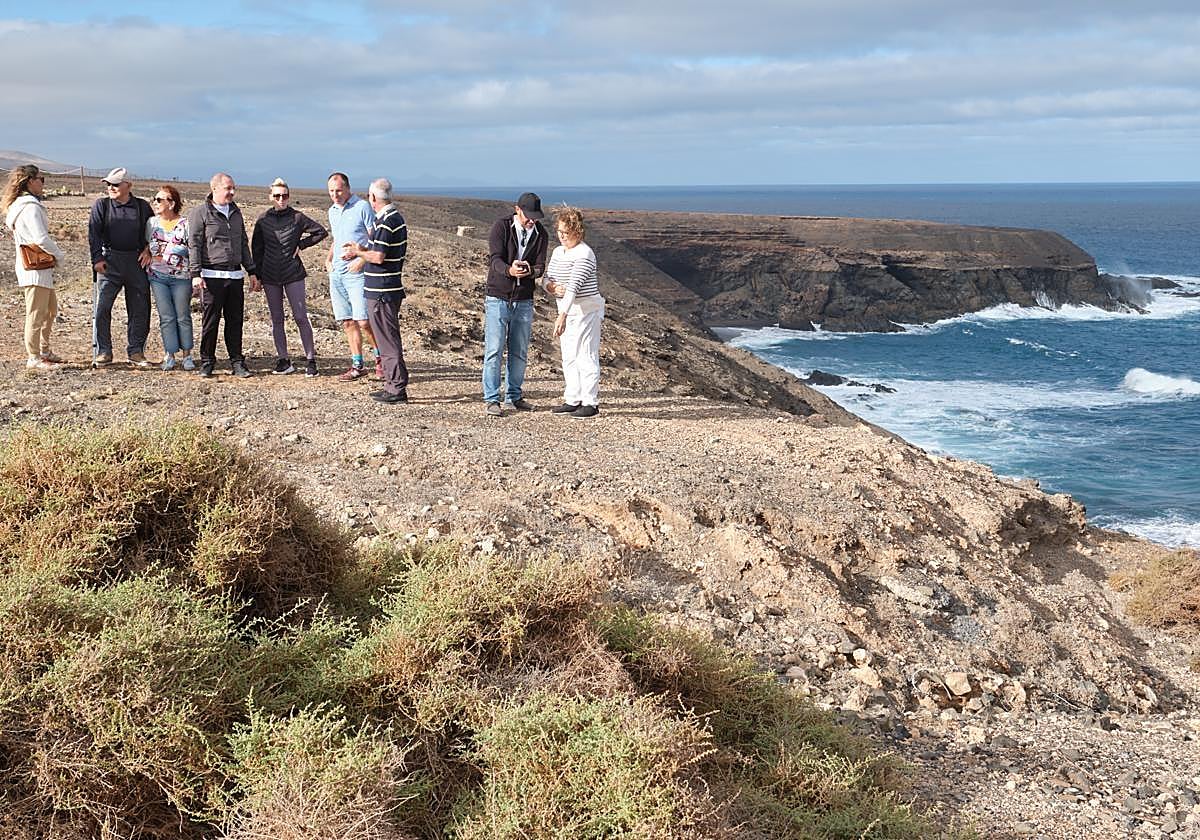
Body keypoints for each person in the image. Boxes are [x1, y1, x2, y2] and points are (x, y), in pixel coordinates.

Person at [251, 178, 327, 376]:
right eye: (277, 196)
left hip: (293, 274)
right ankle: (283, 360)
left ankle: (311, 360)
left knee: (301, 317)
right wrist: (256, 276)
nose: (281, 199)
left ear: (289, 196)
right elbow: (256, 250)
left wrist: (301, 245)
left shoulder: (298, 217)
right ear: (270, 197)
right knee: (277, 319)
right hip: (269, 276)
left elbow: (320, 232)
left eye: (284, 195)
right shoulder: (262, 220)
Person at [342, 178, 409, 404]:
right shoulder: (393, 219)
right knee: (386, 338)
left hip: (382, 291)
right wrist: (362, 249)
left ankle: (396, 387)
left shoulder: (387, 222)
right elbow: (382, 251)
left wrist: (358, 253)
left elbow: (379, 256)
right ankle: (392, 384)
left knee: (387, 340)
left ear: (372, 198)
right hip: (386, 289)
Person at [482, 192, 548, 417]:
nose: (532, 221)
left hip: (524, 299)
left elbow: (541, 267)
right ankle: (492, 398)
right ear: (517, 210)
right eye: (528, 216)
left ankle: (514, 396)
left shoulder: (541, 234)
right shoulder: (501, 227)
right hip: (498, 296)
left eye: (535, 217)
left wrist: (529, 271)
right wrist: (509, 270)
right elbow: (494, 259)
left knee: (519, 351)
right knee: (495, 349)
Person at [186, 172, 258, 378]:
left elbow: (243, 243)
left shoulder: (236, 212)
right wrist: (195, 273)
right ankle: (207, 361)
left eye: (233, 188)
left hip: (235, 276)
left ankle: (237, 361)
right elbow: (194, 244)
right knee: (211, 321)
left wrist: (251, 270)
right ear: (214, 188)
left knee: (235, 321)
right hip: (211, 276)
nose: (232, 192)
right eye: (228, 188)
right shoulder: (200, 213)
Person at [87, 167, 153, 367]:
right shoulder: (102, 205)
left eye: (115, 184)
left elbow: (154, 231)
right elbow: (94, 234)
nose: (111, 187)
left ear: (128, 186)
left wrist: (149, 250)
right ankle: (104, 351)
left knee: (140, 307)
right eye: (108, 184)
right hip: (109, 261)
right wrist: (97, 259)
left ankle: (136, 351)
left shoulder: (142, 207)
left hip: (136, 262)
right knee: (102, 307)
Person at [3, 165, 66, 370]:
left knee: (49, 310)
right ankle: (34, 356)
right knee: (37, 312)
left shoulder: (20, 206)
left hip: (33, 267)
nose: (43, 183)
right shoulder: (30, 207)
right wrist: (58, 254)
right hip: (36, 267)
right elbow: (40, 237)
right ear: (30, 181)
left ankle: (44, 350)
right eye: (41, 179)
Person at [544, 206, 604, 419]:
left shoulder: (584, 253)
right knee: (568, 354)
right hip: (566, 308)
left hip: (585, 309)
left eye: (566, 233)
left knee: (585, 354)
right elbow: (547, 278)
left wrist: (562, 316)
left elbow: (574, 286)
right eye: (559, 232)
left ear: (577, 232)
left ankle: (590, 401)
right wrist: (550, 287)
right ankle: (573, 398)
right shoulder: (558, 252)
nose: (561, 237)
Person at [325, 172, 380, 381]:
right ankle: (357, 364)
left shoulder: (362, 207)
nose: (335, 195)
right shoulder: (332, 211)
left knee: (363, 321)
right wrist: (328, 259)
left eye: (338, 190)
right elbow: (337, 238)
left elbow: (376, 239)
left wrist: (361, 259)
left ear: (347, 188)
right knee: (347, 321)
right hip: (337, 273)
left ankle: (380, 357)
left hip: (357, 273)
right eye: (331, 191)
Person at [146, 184, 195, 371]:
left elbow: (193, 248)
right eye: (155, 199)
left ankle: (187, 355)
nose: (156, 203)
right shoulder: (152, 223)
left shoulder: (185, 224)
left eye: (160, 199)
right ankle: (170, 354)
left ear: (172, 203)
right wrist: (145, 252)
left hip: (181, 277)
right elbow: (146, 242)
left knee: (182, 316)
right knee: (166, 316)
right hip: (157, 276)